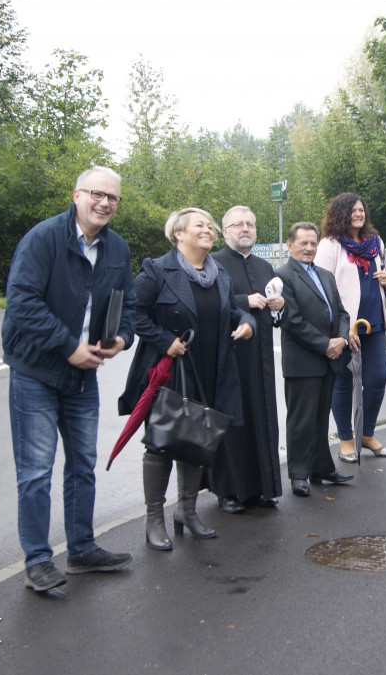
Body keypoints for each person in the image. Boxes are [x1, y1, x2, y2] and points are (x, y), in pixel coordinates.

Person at [2, 166, 137, 592]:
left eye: (112, 198)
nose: (104, 203)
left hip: (84, 375)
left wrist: (120, 339)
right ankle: (38, 560)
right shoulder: (43, 239)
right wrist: (68, 347)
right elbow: (22, 304)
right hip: (37, 372)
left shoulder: (116, 248)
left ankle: (81, 549)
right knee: (36, 471)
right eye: (97, 194)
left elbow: (128, 305)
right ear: (76, 195)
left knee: (83, 465)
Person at [119, 207, 254, 549]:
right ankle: (154, 520)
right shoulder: (157, 270)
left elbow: (232, 310)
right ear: (179, 234)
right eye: (200, 225)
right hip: (171, 372)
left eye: (210, 225)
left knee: (198, 440)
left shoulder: (219, 274)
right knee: (162, 442)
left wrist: (247, 321)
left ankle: (187, 512)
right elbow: (132, 311)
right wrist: (166, 341)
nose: (208, 229)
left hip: (211, 369)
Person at [211, 205, 285, 513]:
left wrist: (280, 305)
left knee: (263, 418)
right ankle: (228, 491)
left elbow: (277, 314)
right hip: (228, 358)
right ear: (225, 231)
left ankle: (261, 489)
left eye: (250, 224)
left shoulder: (265, 267)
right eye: (238, 224)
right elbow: (207, 304)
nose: (246, 229)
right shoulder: (212, 263)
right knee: (232, 422)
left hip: (262, 358)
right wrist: (244, 301)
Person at [314, 193, 386, 463]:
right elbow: (322, 287)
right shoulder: (330, 245)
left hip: (374, 323)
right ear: (341, 214)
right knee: (344, 382)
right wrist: (340, 328)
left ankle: (367, 434)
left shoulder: (375, 242)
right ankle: (346, 439)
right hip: (344, 327)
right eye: (353, 211)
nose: (358, 215)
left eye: (361, 210)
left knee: (378, 378)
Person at [276, 222, 353, 497]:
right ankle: (298, 474)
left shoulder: (325, 275)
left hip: (329, 359)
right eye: (303, 243)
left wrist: (342, 340)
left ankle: (321, 468)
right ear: (289, 245)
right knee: (301, 421)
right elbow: (292, 321)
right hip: (303, 362)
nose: (309, 248)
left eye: (313, 243)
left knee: (321, 419)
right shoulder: (282, 276)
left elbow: (342, 313)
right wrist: (325, 345)